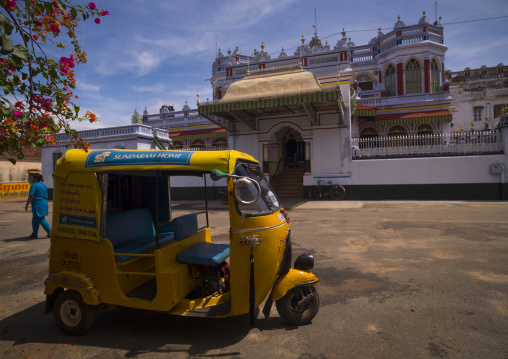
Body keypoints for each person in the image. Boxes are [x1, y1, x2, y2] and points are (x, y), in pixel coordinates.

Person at [25, 173, 51, 239]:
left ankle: (50, 232)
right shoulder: (43, 185)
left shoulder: (34, 186)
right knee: (35, 219)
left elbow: (31, 196)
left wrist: (27, 204)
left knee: (41, 219)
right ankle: (34, 234)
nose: (31, 179)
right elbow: (46, 195)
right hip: (43, 203)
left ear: (35, 179)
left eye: (32, 177)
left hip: (37, 204)